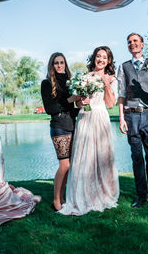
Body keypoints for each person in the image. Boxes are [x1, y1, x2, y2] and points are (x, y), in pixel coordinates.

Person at [59, 46, 119, 216]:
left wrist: (107, 85)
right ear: (94, 58)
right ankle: (84, 194)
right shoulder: (84, 77)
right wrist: (81, 102)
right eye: (98, 56)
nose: (101, 60)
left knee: (101, 155)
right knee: (85, 157)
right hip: (85, 118)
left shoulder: (112, 78)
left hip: (100, 117)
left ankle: (103, 192)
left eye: (104, 57)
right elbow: (77, 103)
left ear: (108, 61)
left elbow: (109, 104)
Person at [117, 33, 148, 208]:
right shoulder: (123, 67)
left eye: (136, 41)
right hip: (131, 116)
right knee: (137, 157)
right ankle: (141, 195)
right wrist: (121, 117)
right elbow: (121, 94)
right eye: (129, 42)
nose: (132, 44)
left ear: (142, 45)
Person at [41, 52, 79, 211]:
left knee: (69, 166)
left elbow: (72, 108)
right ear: (52, 65)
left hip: (72, 124)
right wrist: (71, 100)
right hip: (58, 125)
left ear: (65, 64)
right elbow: (50, 108)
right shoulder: (47, 83)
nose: (59, 65)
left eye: (62, 62)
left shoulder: (71, 82)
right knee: (64, 165)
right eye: (56, 63)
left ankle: (63, 197)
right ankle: (56, 200)